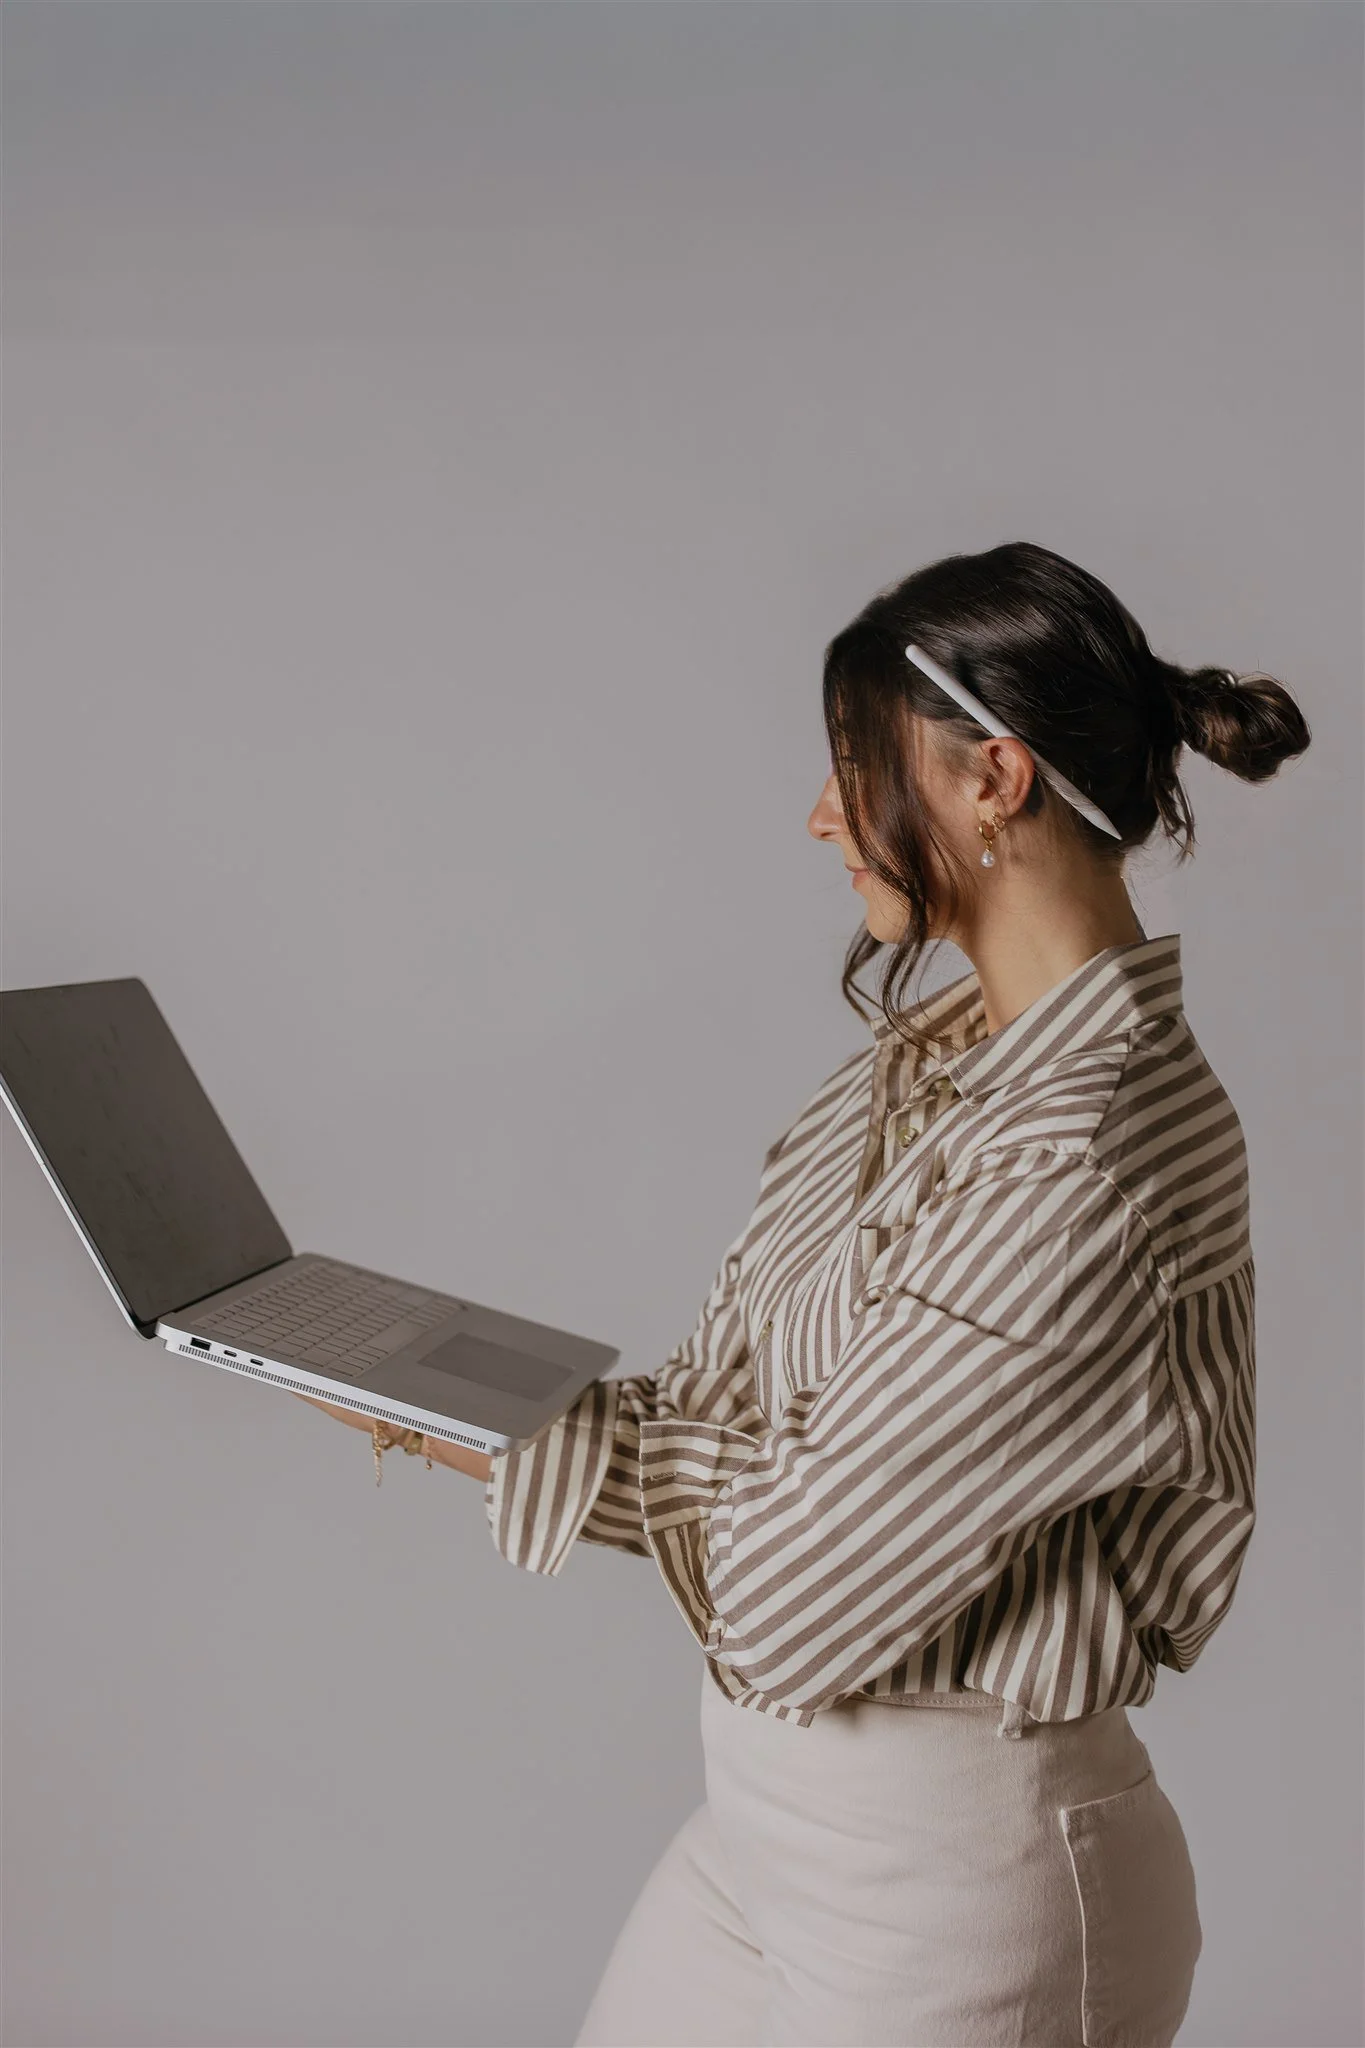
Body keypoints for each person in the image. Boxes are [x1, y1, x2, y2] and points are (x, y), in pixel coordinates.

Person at [302, 540, 1310, 2047]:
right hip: (771, 1822)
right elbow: (745, 1414)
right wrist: (463, 1400)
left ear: (995, 780)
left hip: (965, 1885)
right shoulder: (942, 1071)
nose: (825, 815)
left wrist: (543, 1434)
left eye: (855, 767)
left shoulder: (1081, 1161)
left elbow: (790, 1594)